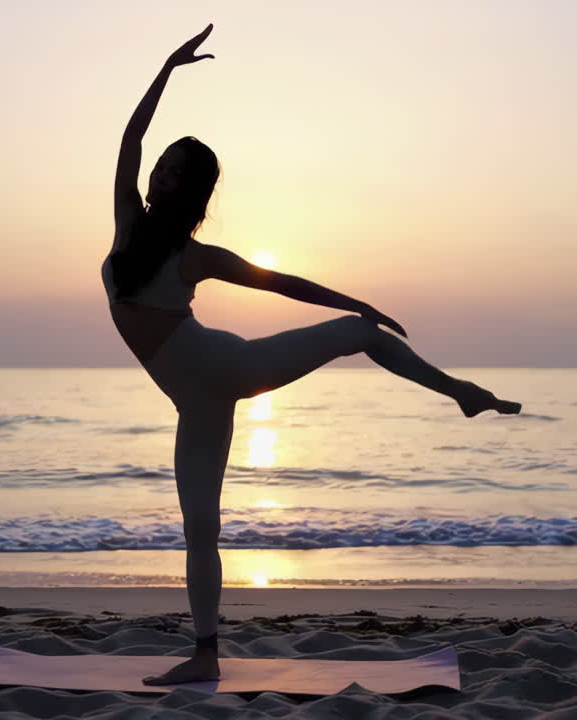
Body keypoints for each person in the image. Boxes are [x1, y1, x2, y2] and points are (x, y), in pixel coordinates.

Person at [101, 24, 521, 685]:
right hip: (195, 402)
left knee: (355, 333)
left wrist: (359, 301)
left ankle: (460, 392)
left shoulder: (195, 257)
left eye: (177, 169)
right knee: (201, 527)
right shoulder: (128, 224)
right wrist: (167, 68)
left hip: (225, 366)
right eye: (166, 163)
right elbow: (130, 141)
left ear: (190, 190)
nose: (162, 170)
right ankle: (205, 653)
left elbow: (282, 283)